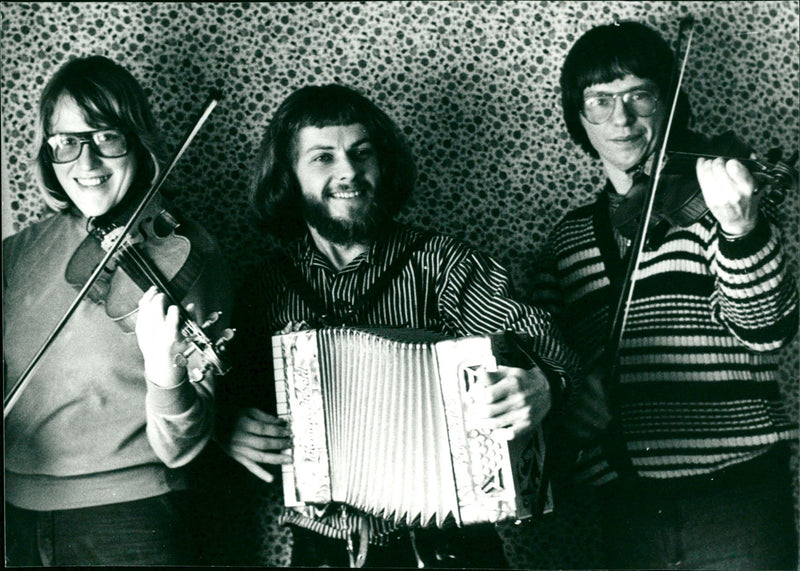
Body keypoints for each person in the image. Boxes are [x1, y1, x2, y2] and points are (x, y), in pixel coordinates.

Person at [215, 83, 583, 568]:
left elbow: (552, 352)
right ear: (289, 176)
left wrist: (545, 385)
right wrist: (229, 427)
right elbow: (224, 396)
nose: (348, 170)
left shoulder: (444, 266)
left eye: (361, 153)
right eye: (322, 157)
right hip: (322, 550)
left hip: (449, 548)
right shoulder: (267, 289)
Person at [526, 21, 799, 570]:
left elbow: (767, 331)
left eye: (638, 96)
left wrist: (742, 231)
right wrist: (570, 399)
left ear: (668, 103)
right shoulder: (567, 238)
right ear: (579, 118)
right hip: (624, 507)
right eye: (599, 101)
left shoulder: (722, 203)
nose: (620, 119)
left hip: (736, 496)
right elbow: (542, 351)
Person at [3, 55, 232, 566]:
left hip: (133, 519)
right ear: (48, 153)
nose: (87, 165)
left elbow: (181, 449)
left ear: (137, 141)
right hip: (14, 516)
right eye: (67, 142)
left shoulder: (186, 254)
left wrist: (165, 373)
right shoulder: (16, 254)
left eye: (106, 136)